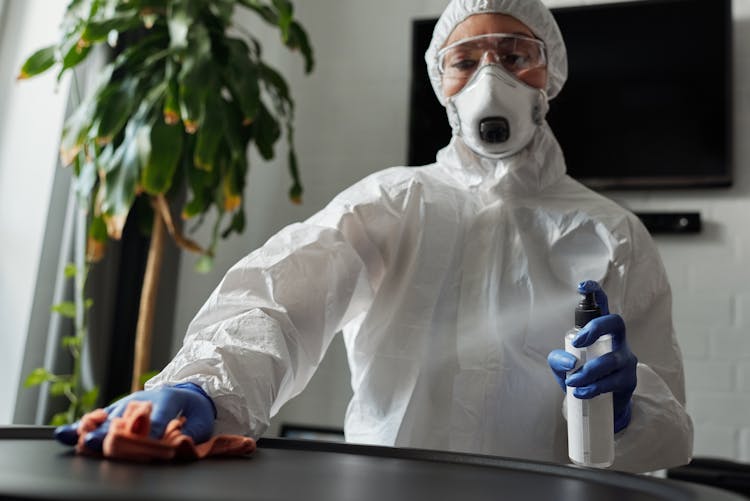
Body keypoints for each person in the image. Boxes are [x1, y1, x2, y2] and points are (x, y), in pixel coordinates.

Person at [56, 0, 693, 472]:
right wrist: (205, 381)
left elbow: (669, 432)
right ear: (443, 86)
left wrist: (628, 408)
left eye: (513, 55)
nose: (487, 78)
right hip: (383, 488)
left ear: (546, 74)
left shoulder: (613, 233)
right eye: (464, 61)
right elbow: (282, 298)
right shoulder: (394, 200)